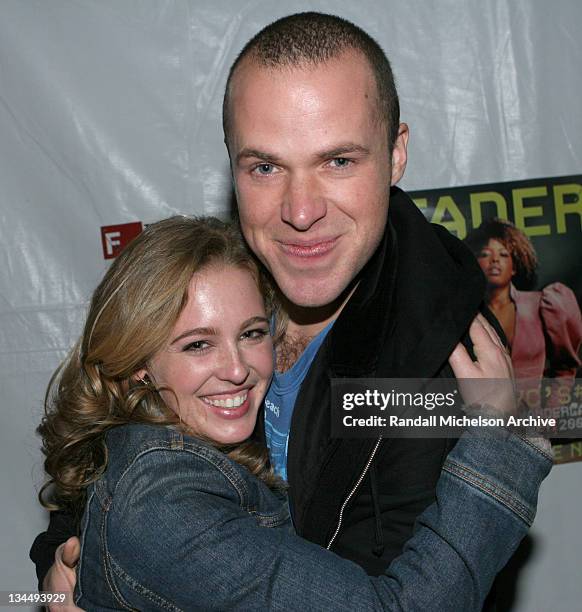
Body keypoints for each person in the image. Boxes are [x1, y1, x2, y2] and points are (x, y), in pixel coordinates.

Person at [32, 11, 527, 599]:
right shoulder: (224, 280)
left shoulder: (437, 349)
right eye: (265, 167)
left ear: (396, 154)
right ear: (233, 164)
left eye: (337, 161)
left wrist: (511, 435)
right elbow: (118, 454)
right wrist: (55, 570)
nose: (299, 210)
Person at [37, 216, 551, 611]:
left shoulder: (192, 430)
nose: (237, 370)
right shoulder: (164, 499)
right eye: (197, 345)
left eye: (252, 334)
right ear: (137, 368)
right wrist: (497, 432)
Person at [465, 218, 582, 408]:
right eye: (485, 254)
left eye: (504, 254)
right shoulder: (465, 313)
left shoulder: (545, 304)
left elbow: (565, 370)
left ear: (515, 265)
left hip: (534, 422)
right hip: (484, 422)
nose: (495, 260)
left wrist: (550, 413)